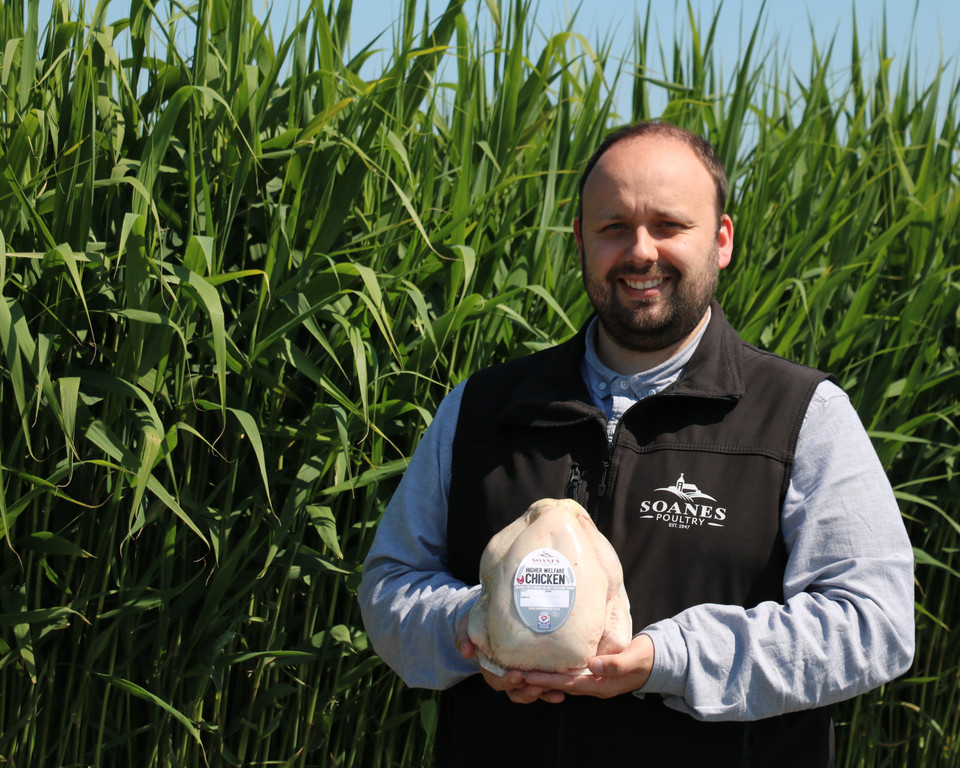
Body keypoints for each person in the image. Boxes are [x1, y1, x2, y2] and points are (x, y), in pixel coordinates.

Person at [358, 121, 915, 767]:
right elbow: (390, 586)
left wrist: (667, 660)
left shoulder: (801, 416)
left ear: (722, 239)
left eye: (670, 225)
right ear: (581, 241)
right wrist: (476, 627)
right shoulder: (482, 409)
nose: (640, 251)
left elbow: (873, 624)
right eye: (613, 226)